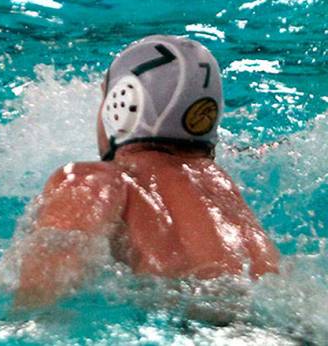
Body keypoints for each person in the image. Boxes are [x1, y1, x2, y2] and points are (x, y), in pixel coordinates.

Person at [14, 35, 279, 308]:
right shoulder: (223, 189)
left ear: (121, 104)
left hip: (192, 323)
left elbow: (40, 298)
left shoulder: (92, 180)